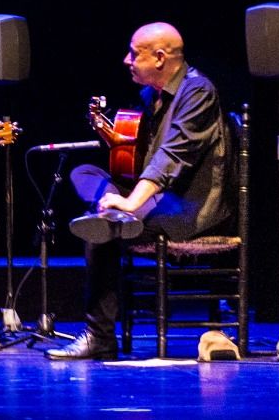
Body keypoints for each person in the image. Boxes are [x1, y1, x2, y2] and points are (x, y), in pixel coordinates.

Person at [48, 22, 232, 361]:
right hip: (155, 200)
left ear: (160, 58)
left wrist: (131, 201)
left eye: (135, 53)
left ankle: (99, 336)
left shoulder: (198, 92)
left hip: (188, 206)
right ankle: (118, 216)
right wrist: (116, 141)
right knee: (84, 172)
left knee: (100, 228)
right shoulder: (152, 96)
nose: (126, 60)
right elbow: (141, 159)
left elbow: (172, 157)